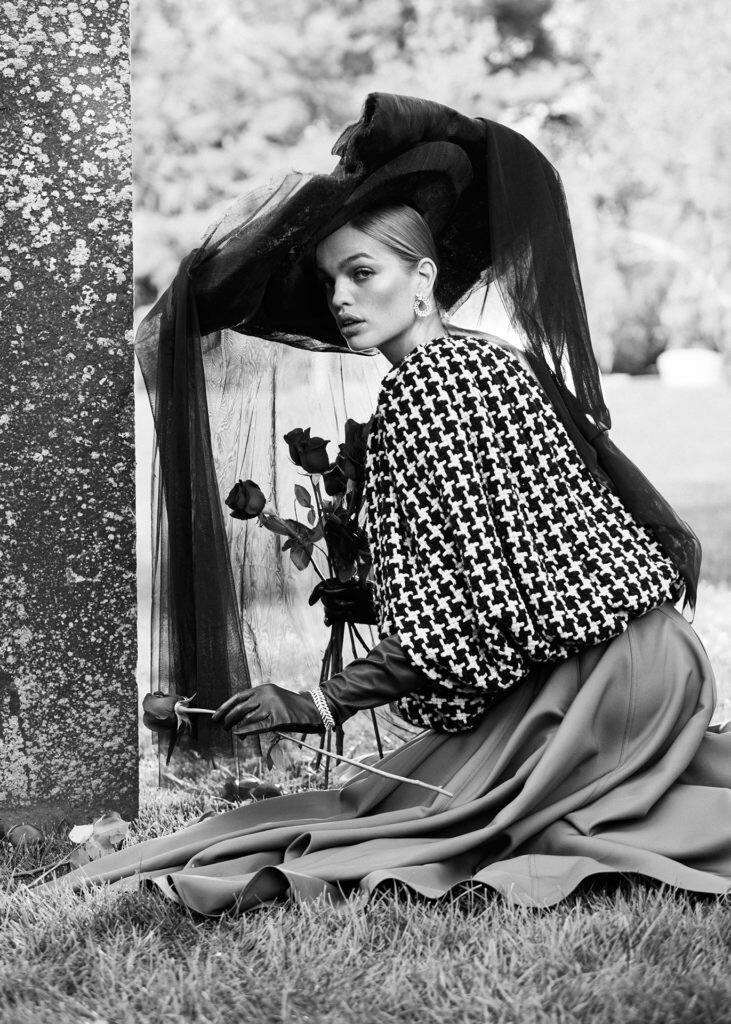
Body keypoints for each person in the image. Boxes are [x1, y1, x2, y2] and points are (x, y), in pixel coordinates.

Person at [55, 94, 731, 916]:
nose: (341, 297)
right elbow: (496, 576)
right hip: (650, 657)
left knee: (405, 822)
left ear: (423, 280)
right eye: (330, 280)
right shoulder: (482, 361)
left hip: (603, 677)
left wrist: (319, 701)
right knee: (396, 797)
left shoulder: (428, 390)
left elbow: (468, 615)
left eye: (363, 272)